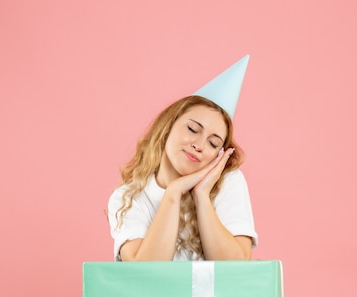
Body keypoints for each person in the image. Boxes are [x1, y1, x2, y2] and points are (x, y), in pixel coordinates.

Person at [107, 56, 257, 261]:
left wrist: (202, 195)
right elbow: (144, 274)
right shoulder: (129, 197)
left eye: (213, 143)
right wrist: (173, 192)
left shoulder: (228, 182)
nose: (199, 146)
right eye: (193, 129)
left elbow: (237, 267)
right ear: (168, 126)